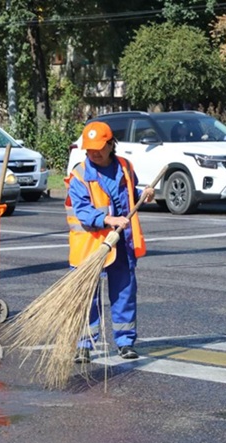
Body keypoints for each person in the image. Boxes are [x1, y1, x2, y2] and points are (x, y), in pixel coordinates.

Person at [65, 121, 155, 363]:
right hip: (89, 248)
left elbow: (129, 195)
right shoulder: (79, 176)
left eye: (99, 147)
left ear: (110, 144)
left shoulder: (125, 167)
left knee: (124, 293)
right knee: (86, 299)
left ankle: (125, 342)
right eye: (90, 148)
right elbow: (83, 212)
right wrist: (108, 219)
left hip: (121, 245)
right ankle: (84, 345)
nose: (94, 152)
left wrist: (143, 194)